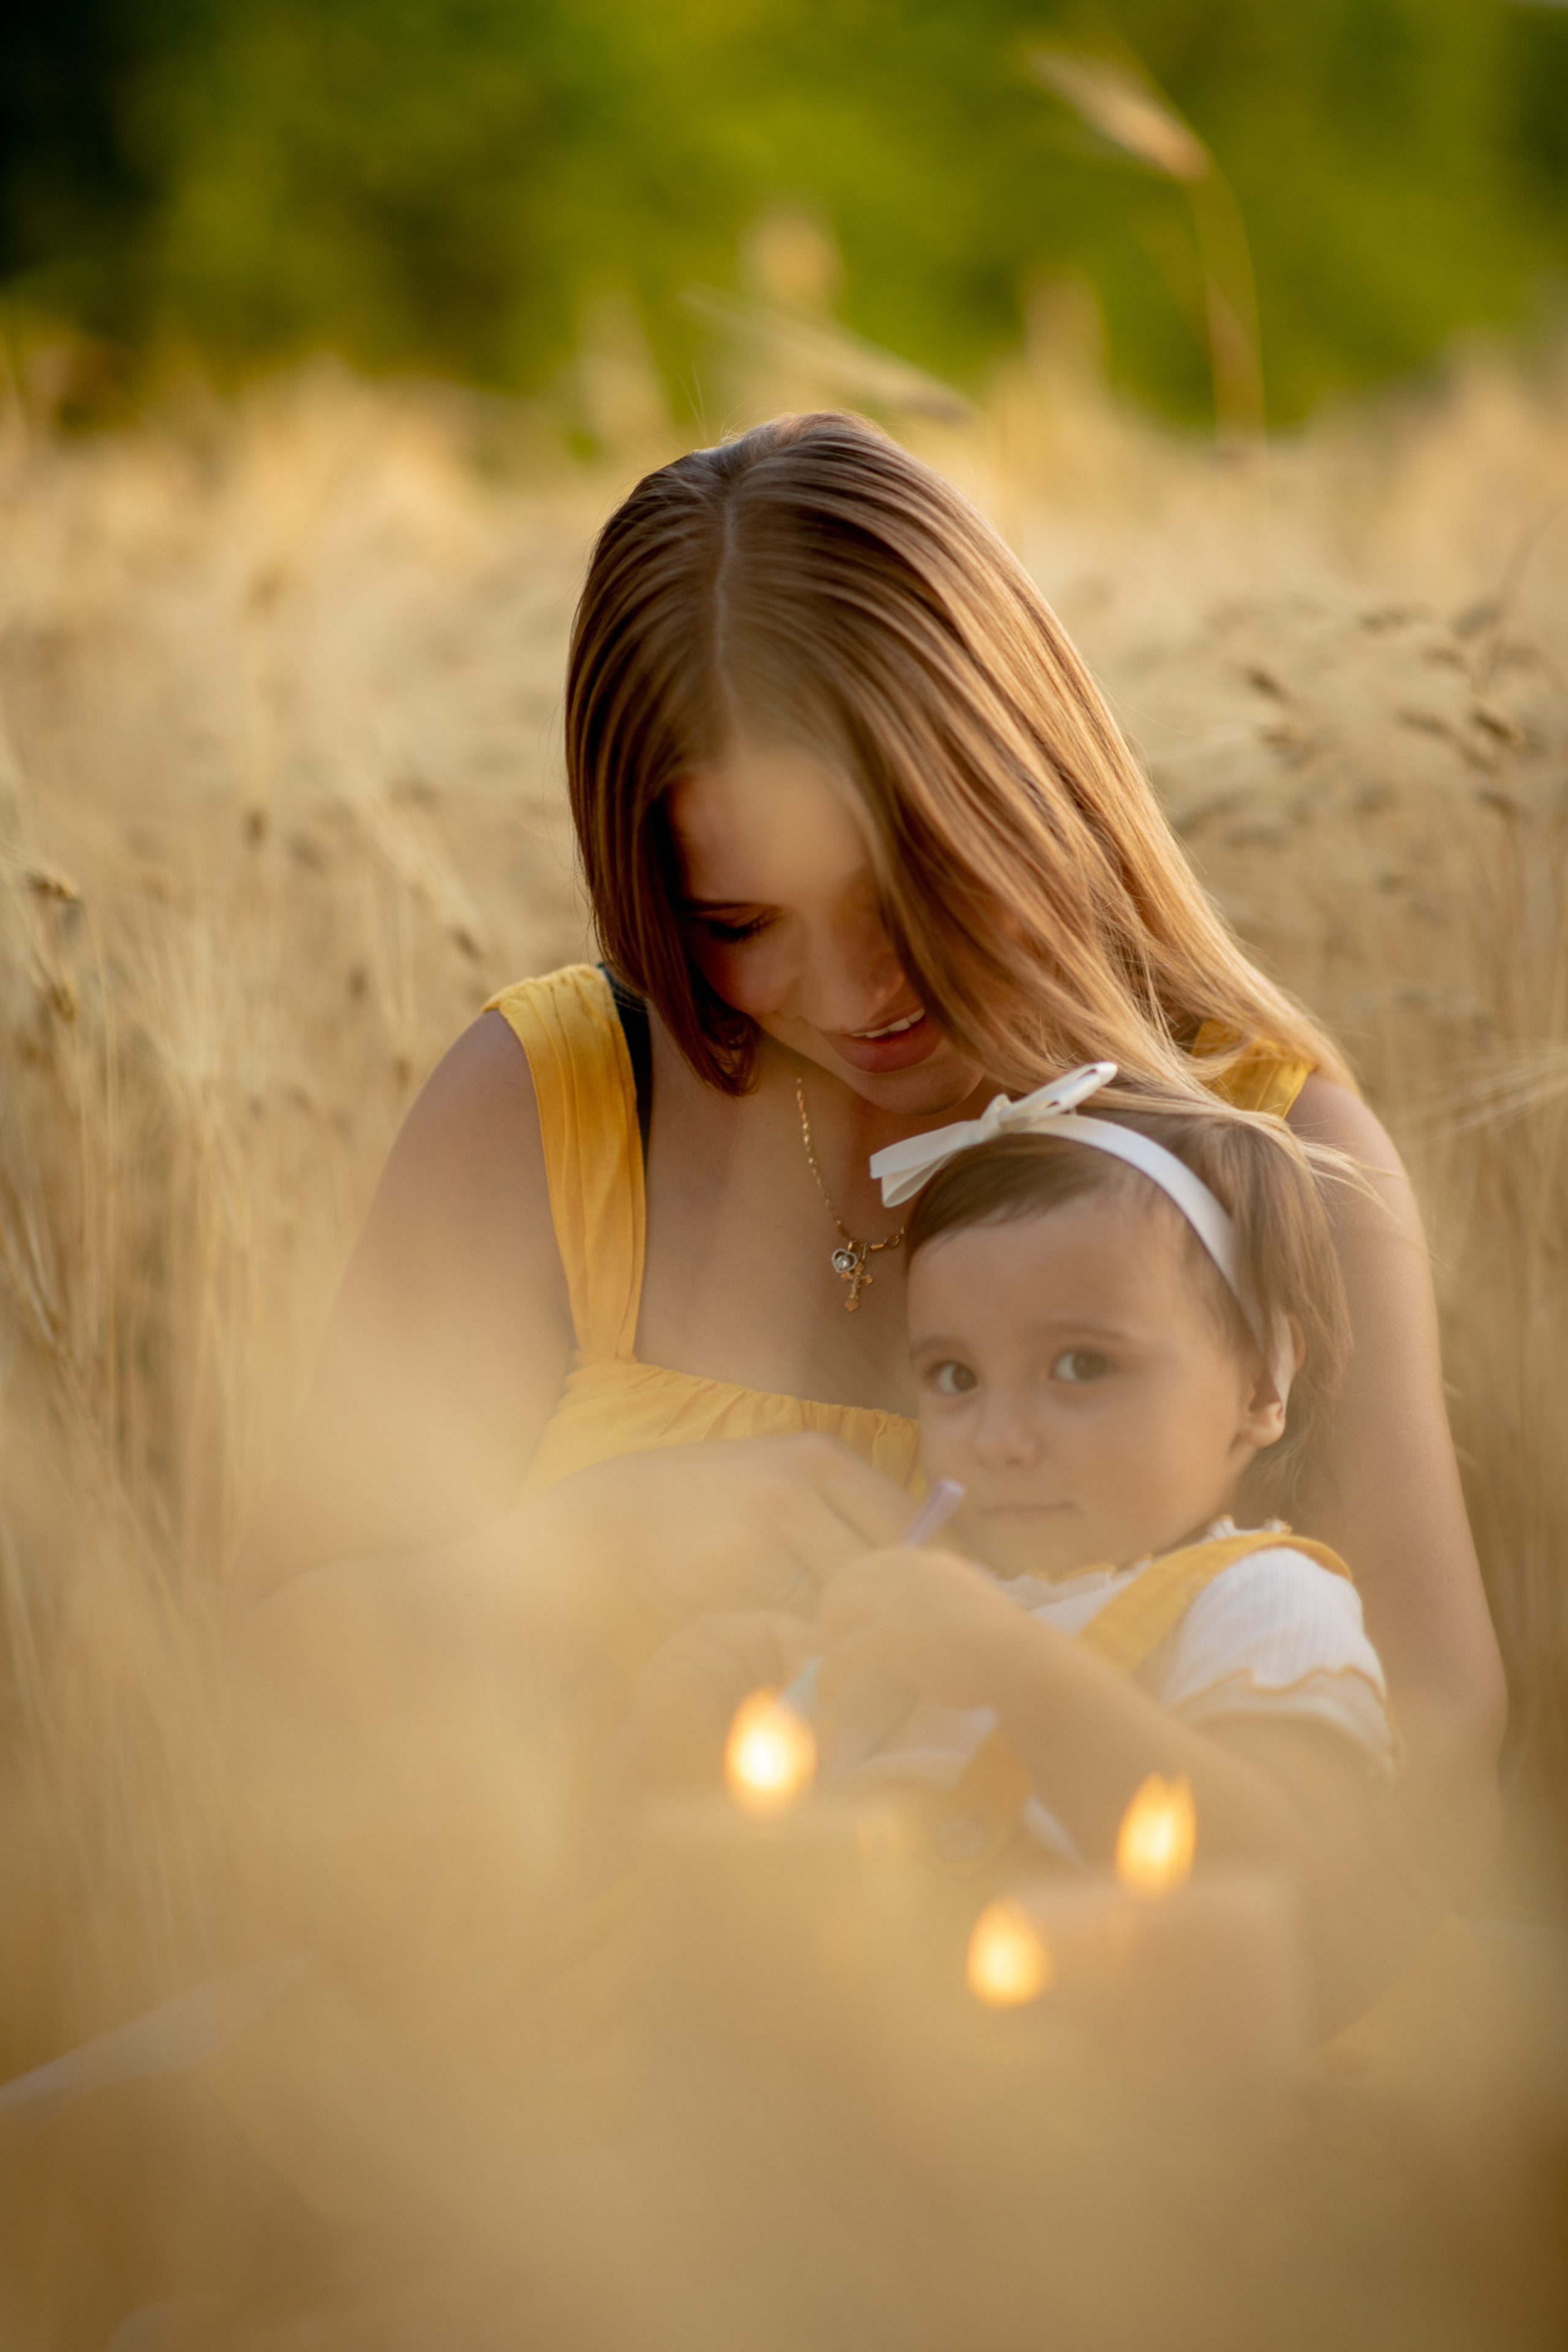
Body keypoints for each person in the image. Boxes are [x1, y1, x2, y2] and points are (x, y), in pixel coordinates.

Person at [230, 410, 1502, 1936]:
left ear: (1021, 786)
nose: (848, 998)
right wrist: (571, 1559)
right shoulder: (549, 1104)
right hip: (559, 2066)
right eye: (741, 924)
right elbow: (253, 1689)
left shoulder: (1266, 1157)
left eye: (904, 885)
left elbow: (1430, 1741)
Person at [611, 1071, 1404, 2019]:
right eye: (954, 1376)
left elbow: (1296, 1887)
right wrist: (691, 1742)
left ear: (1260, 1386)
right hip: (877, 2108)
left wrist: (1011, 1669)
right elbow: (730, 1902)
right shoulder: (911, 1629)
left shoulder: (1261, 1600)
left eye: (1080, 1367)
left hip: (1107, 2120)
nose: (997, 1439)